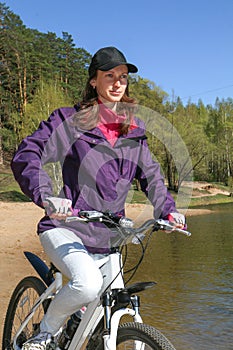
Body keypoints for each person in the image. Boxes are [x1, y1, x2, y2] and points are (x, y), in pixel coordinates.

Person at [11, 46, 186, 350]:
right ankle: (45, 333)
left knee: (113, 303)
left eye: (123, 77)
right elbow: (28, 154)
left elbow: (152, 176)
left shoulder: (133, 131)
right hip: (66, 227)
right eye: (110, 76)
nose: (118, 83)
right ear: (94, 81)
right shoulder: (70, 121)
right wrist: (46, 195)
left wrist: (168, 211)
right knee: (88, 284)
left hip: (110, 235)